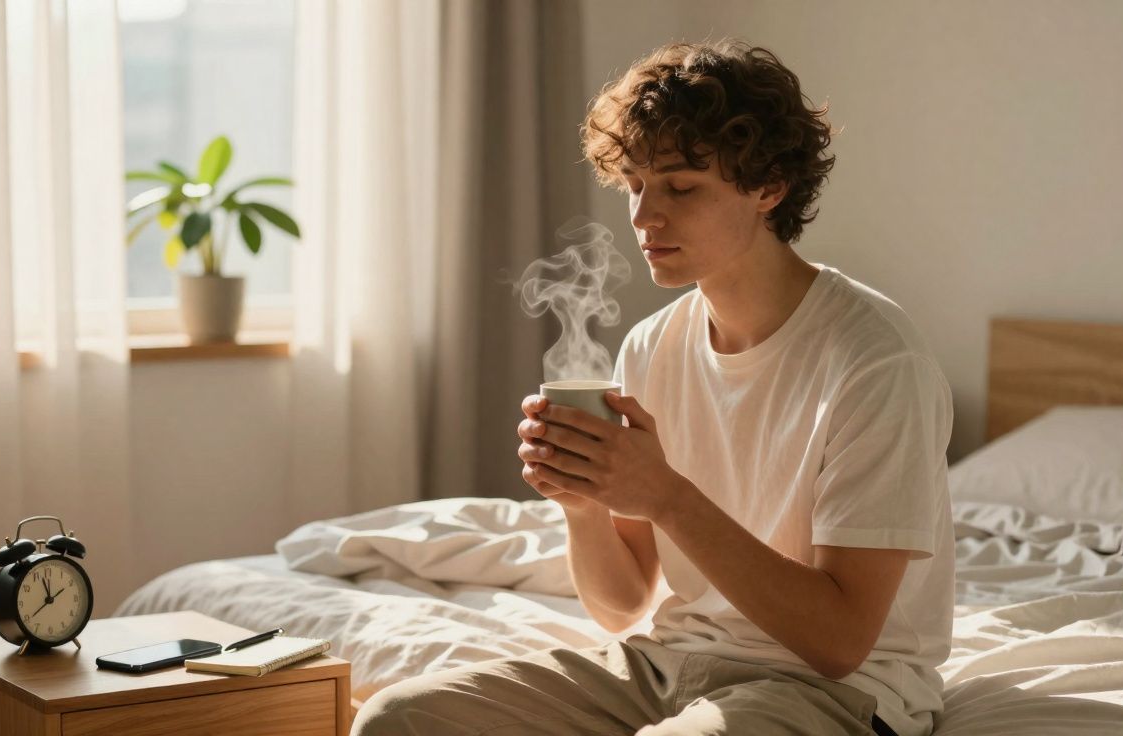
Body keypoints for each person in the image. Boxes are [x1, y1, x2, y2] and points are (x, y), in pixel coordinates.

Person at [353, 39, 953, 736]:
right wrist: (583, 505)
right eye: (635, 184)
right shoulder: (652, 344)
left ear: (769, 187)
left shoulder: (876, 360)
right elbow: (621, 606)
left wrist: (665, 495)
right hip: (668, 667)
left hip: (830, 692)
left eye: (680, 187)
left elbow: (841, 642)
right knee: (395, 718)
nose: (642, 217)